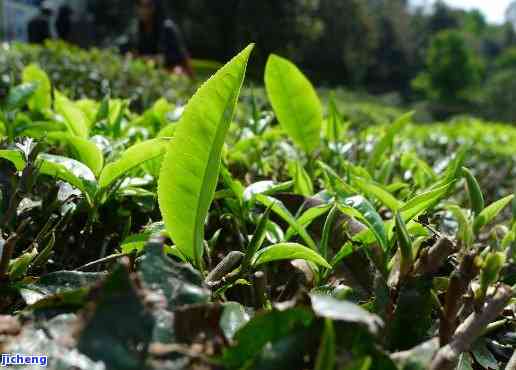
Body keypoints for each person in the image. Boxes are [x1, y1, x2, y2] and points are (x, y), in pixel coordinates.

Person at [135, 0, 194, 78]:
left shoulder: (167, 28)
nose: (143, 10)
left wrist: (149, 59)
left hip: (173, 70)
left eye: (148, 6)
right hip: (152, 72)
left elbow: (177, 58)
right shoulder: (139, 30)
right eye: (140, 5)